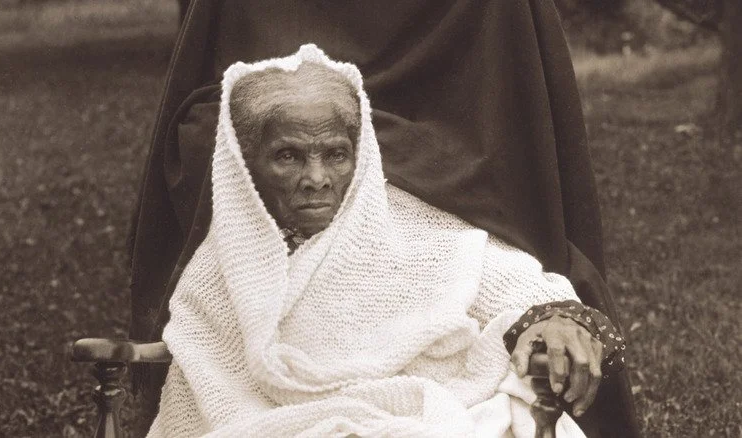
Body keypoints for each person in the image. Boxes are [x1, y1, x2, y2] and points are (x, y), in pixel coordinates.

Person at [128, 1, 639, 437]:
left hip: (421, 414)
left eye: (335, 155)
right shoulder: (227, 263)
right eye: (288, 157)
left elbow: (515, 283)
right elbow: (208, 371)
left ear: (361, 157)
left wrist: (555, 317)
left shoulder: (415, 225)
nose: (316, 179)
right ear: (248, 167)